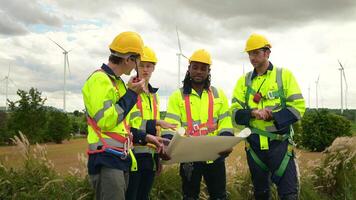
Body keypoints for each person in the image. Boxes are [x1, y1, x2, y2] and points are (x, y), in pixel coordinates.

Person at [82, 31, 164, 200]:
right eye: (137, 61)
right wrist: (132, 95)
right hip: (105, 158)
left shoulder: (117, 83)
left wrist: (147, 137)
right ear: (128, 59)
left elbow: (123, 126)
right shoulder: (99, 80)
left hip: (119, 157)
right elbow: (106, 120)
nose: (137, 67)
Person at [230, 33, 306, 200]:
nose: (252, 57)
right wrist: (252, 113)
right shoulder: (243, 82)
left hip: (280, 145)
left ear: (267, 53)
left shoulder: (284, 76)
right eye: (250, 53)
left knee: (289, 194)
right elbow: (234, 114)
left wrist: (273, 116)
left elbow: (298, 108)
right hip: (254, 147)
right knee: (261, 193)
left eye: (256, 53)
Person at [162, 49, 234, 200]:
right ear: (189, 69)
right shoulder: (177, 96)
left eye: (203, 68)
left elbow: (226, 123)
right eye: (195, 67)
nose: (199, 71)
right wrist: (167, 145)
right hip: (189, 157)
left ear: (209, 71)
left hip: (214, 156)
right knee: (190, 196)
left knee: (219, 196)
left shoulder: (218, 94)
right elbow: (171, 125)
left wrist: (226, 141)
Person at [125, 46, 176, 200]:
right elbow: (131, 124)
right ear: (136, 66)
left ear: (154, 67)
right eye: (141, 65)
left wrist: (158, 158)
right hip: (133, 154)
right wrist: (156, 122)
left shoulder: (153, 96)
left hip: (150, 155)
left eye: (149, 66)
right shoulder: (130, 90)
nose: (145, 69)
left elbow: (156, 131)